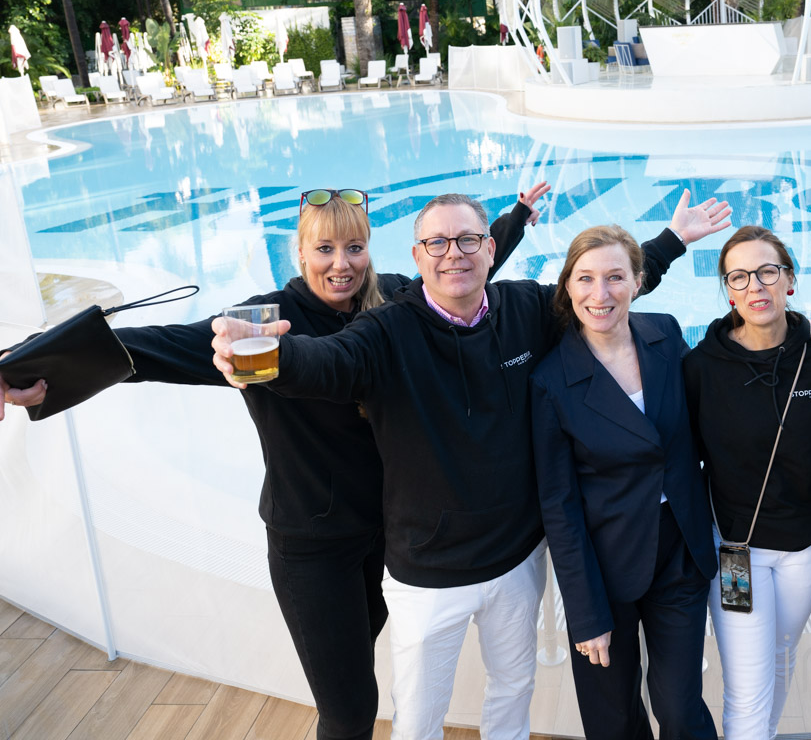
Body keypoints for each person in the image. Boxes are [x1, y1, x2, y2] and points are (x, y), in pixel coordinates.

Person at [0, 185, 546, 740]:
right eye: (325, 249)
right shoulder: (262, 325)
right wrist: (29, 365)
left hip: (387, 539)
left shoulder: (392, 304)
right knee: (350, 711)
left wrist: (514, 220)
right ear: (300, 253)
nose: (341, 264)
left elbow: (459, 268)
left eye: (354, 248)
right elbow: (154, 349)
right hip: (313, 546)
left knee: (355, 677)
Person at [209, 192, 731, 740]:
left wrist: (671, 242)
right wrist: (278, 358)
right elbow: (331, 361)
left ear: (490, 249)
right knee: (418, 721)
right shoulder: (386, 330)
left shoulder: (525, 308)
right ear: (417, 256)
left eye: (466, 240)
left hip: (515, 561)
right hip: (427, 572)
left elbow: (599, 294)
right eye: (436, 242)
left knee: (512, 695)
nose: (452, 253)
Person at [530, 226, 718, 740]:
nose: (601, 293)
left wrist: (796, 336)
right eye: (586, 278)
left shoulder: (665, 334)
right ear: (568, 286)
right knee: (612, 720)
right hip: (604, 565)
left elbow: (716, 387)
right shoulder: (551, 381)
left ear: (638, 281)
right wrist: (586, 613)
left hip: (678, 550)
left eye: (615, 277)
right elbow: (559, 506)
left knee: (680, 710)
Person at [682, 225, 811, 740]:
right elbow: (684, 460)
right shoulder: (701, 368)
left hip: (808, 546)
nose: (755, 285)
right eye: (739, 276)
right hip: (737, 550)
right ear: (728, 291)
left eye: (767, 272)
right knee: (748, 685)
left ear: (790, 280)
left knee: (780, 656)